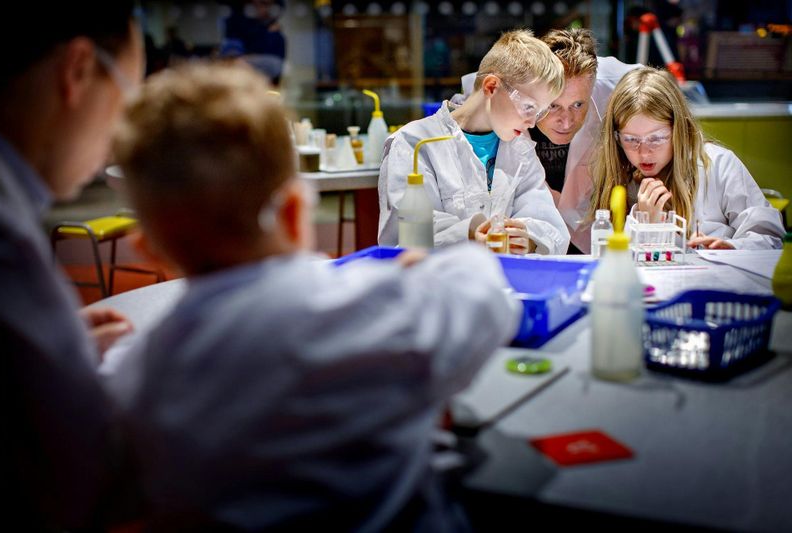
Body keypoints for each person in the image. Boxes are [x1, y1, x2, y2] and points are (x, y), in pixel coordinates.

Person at [106, 62, 521, 530]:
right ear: (297, 208)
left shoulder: (139, 372)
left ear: (151, 248)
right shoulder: (375, 309)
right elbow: (486, 295)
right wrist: (422, 273)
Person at [0, 2, 144, 529]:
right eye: (127, 102)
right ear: (78, 71)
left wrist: (43, 345)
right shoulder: (2, 242)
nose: (119, 137)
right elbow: (85, 477)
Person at [378, 29, 570, 255]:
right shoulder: (415, 143)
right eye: (529, 107)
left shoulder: (520, 152)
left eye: (539, 113)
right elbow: (403, 235)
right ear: (491, 86)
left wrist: (530, 238)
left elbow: (549, 224)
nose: (531, 122)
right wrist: (467, 234)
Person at [457, 29, 639, 253]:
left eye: (578, 105)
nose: (566, 121)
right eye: (553, 105)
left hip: (599, 236)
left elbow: (661, 99)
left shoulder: (617, 86)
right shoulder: (504, 99)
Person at [589, 66, 784, 250]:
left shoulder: (717, 165)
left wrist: (735, 248)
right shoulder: (620, 180)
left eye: (656, 139)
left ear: (678, 129)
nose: (644, 153)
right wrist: (644, 222)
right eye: (631, 139)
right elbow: (616, 261)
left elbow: (770, 237)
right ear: (616, 137)